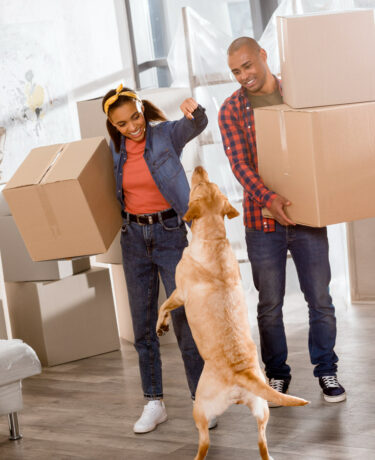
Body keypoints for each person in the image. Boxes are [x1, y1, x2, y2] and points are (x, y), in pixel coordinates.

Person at [218, 37, 346, 405]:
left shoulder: (299, 93)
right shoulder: (231, 110)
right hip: (262, 223)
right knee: (269, 306)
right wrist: (269, 199)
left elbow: (321, 139)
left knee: (320, 299)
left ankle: (326, 370)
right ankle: (277, 374)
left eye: (247, 65)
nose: (243, 75)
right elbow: (240, 166)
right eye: (235, 71)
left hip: (307, 216)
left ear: (263, 56)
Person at [102, 84, 211, 432]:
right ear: (113, 126)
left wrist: (194, 110)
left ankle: (201, 400)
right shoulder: (114, 149)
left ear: (141, 109)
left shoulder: (166, 135)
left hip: (168, 235)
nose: (132, 127)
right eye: (122, 124)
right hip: (132, 239)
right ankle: (154, 402)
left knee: (183, 322)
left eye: (135, 117)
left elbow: (196, 125)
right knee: (144, 326)